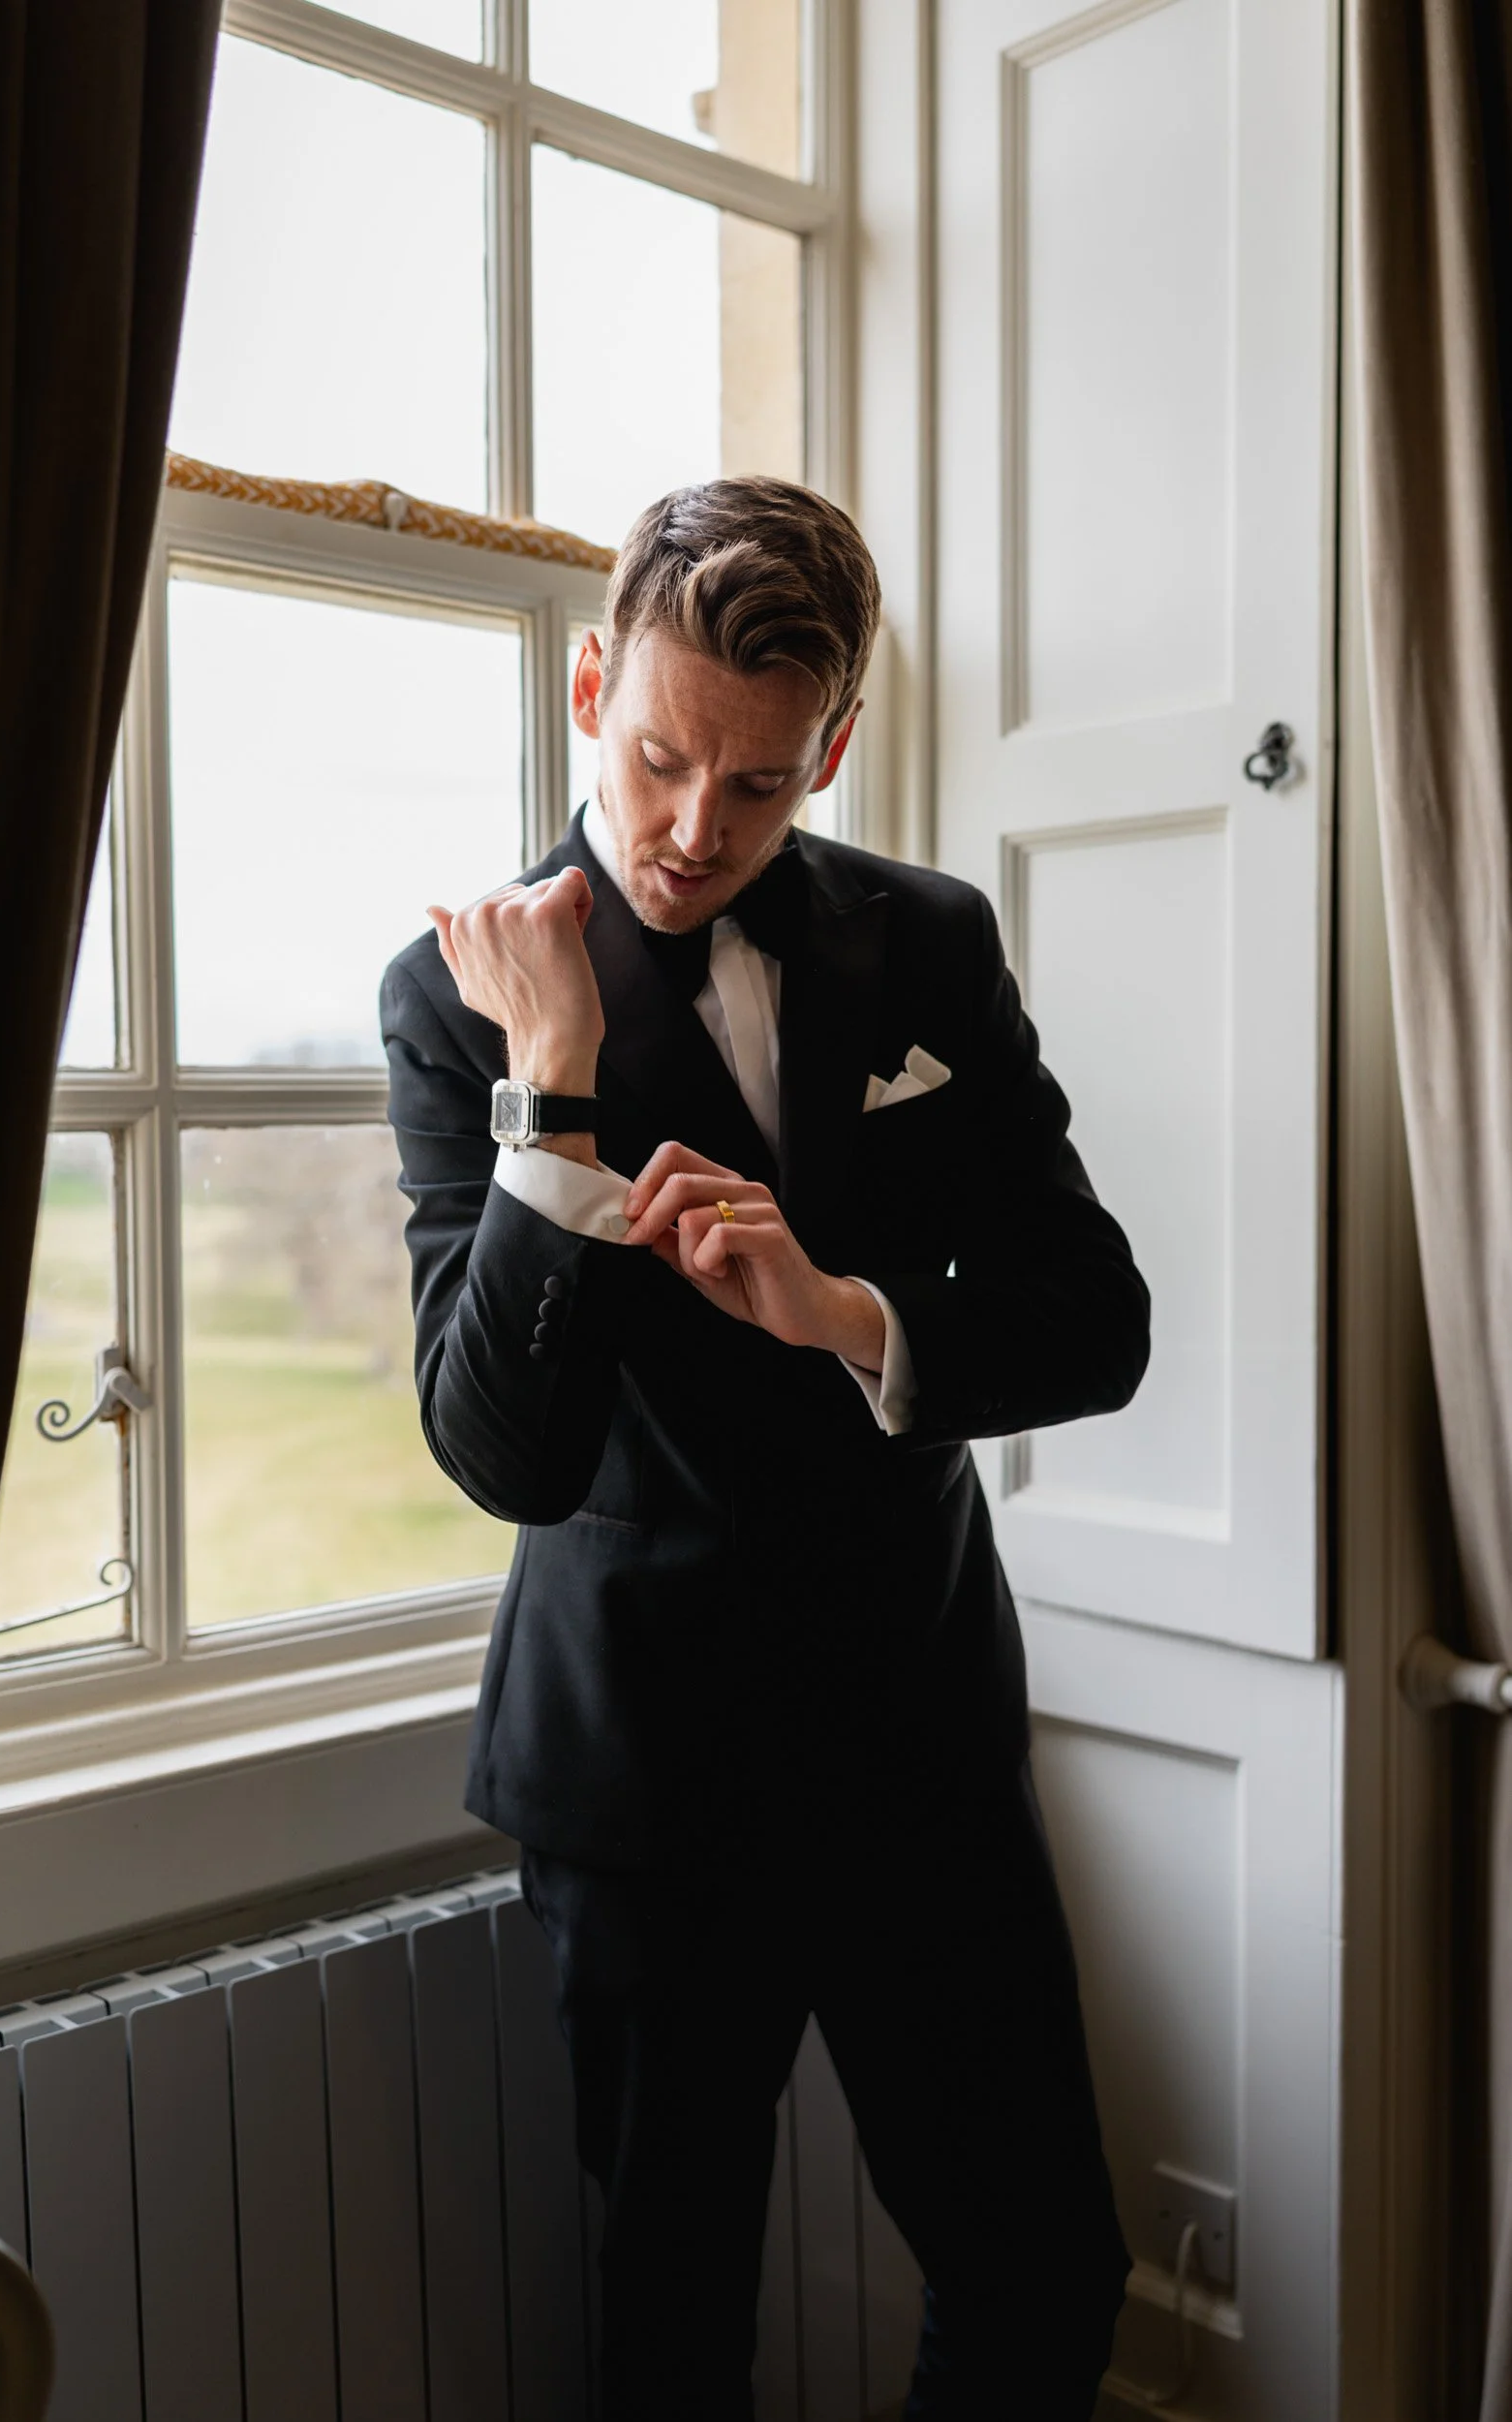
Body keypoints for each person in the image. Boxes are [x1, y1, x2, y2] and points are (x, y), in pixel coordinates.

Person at [382, 477, 1150, 2420]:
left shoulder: (926, 948)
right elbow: (501, 1454)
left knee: (1043, 2269)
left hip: (918, 1743)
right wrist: (547, 1100)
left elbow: (1094, 1312)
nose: (685, 833)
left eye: (752, 789)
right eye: (654, 760)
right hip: (645, 1779)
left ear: (833, 746)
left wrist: (846, 1311)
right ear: (586, 690)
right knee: (672, 2334)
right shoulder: (448, 994)